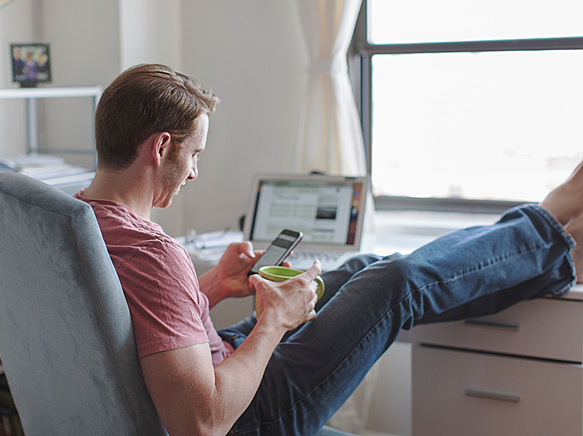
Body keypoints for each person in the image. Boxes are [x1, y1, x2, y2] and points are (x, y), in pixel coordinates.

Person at [75, 63, 583, 436]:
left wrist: (209, 287)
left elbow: (128, 323)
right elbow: (202, 423)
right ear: (161, 147)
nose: (194, 173)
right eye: (194, 155)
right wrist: (273, 321)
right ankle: (548, 225)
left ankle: (551, 256)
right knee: (392, 284)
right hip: (251, 414)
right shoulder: (153, 250)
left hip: (214, 360)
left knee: (363, 269)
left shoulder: (79, 219)